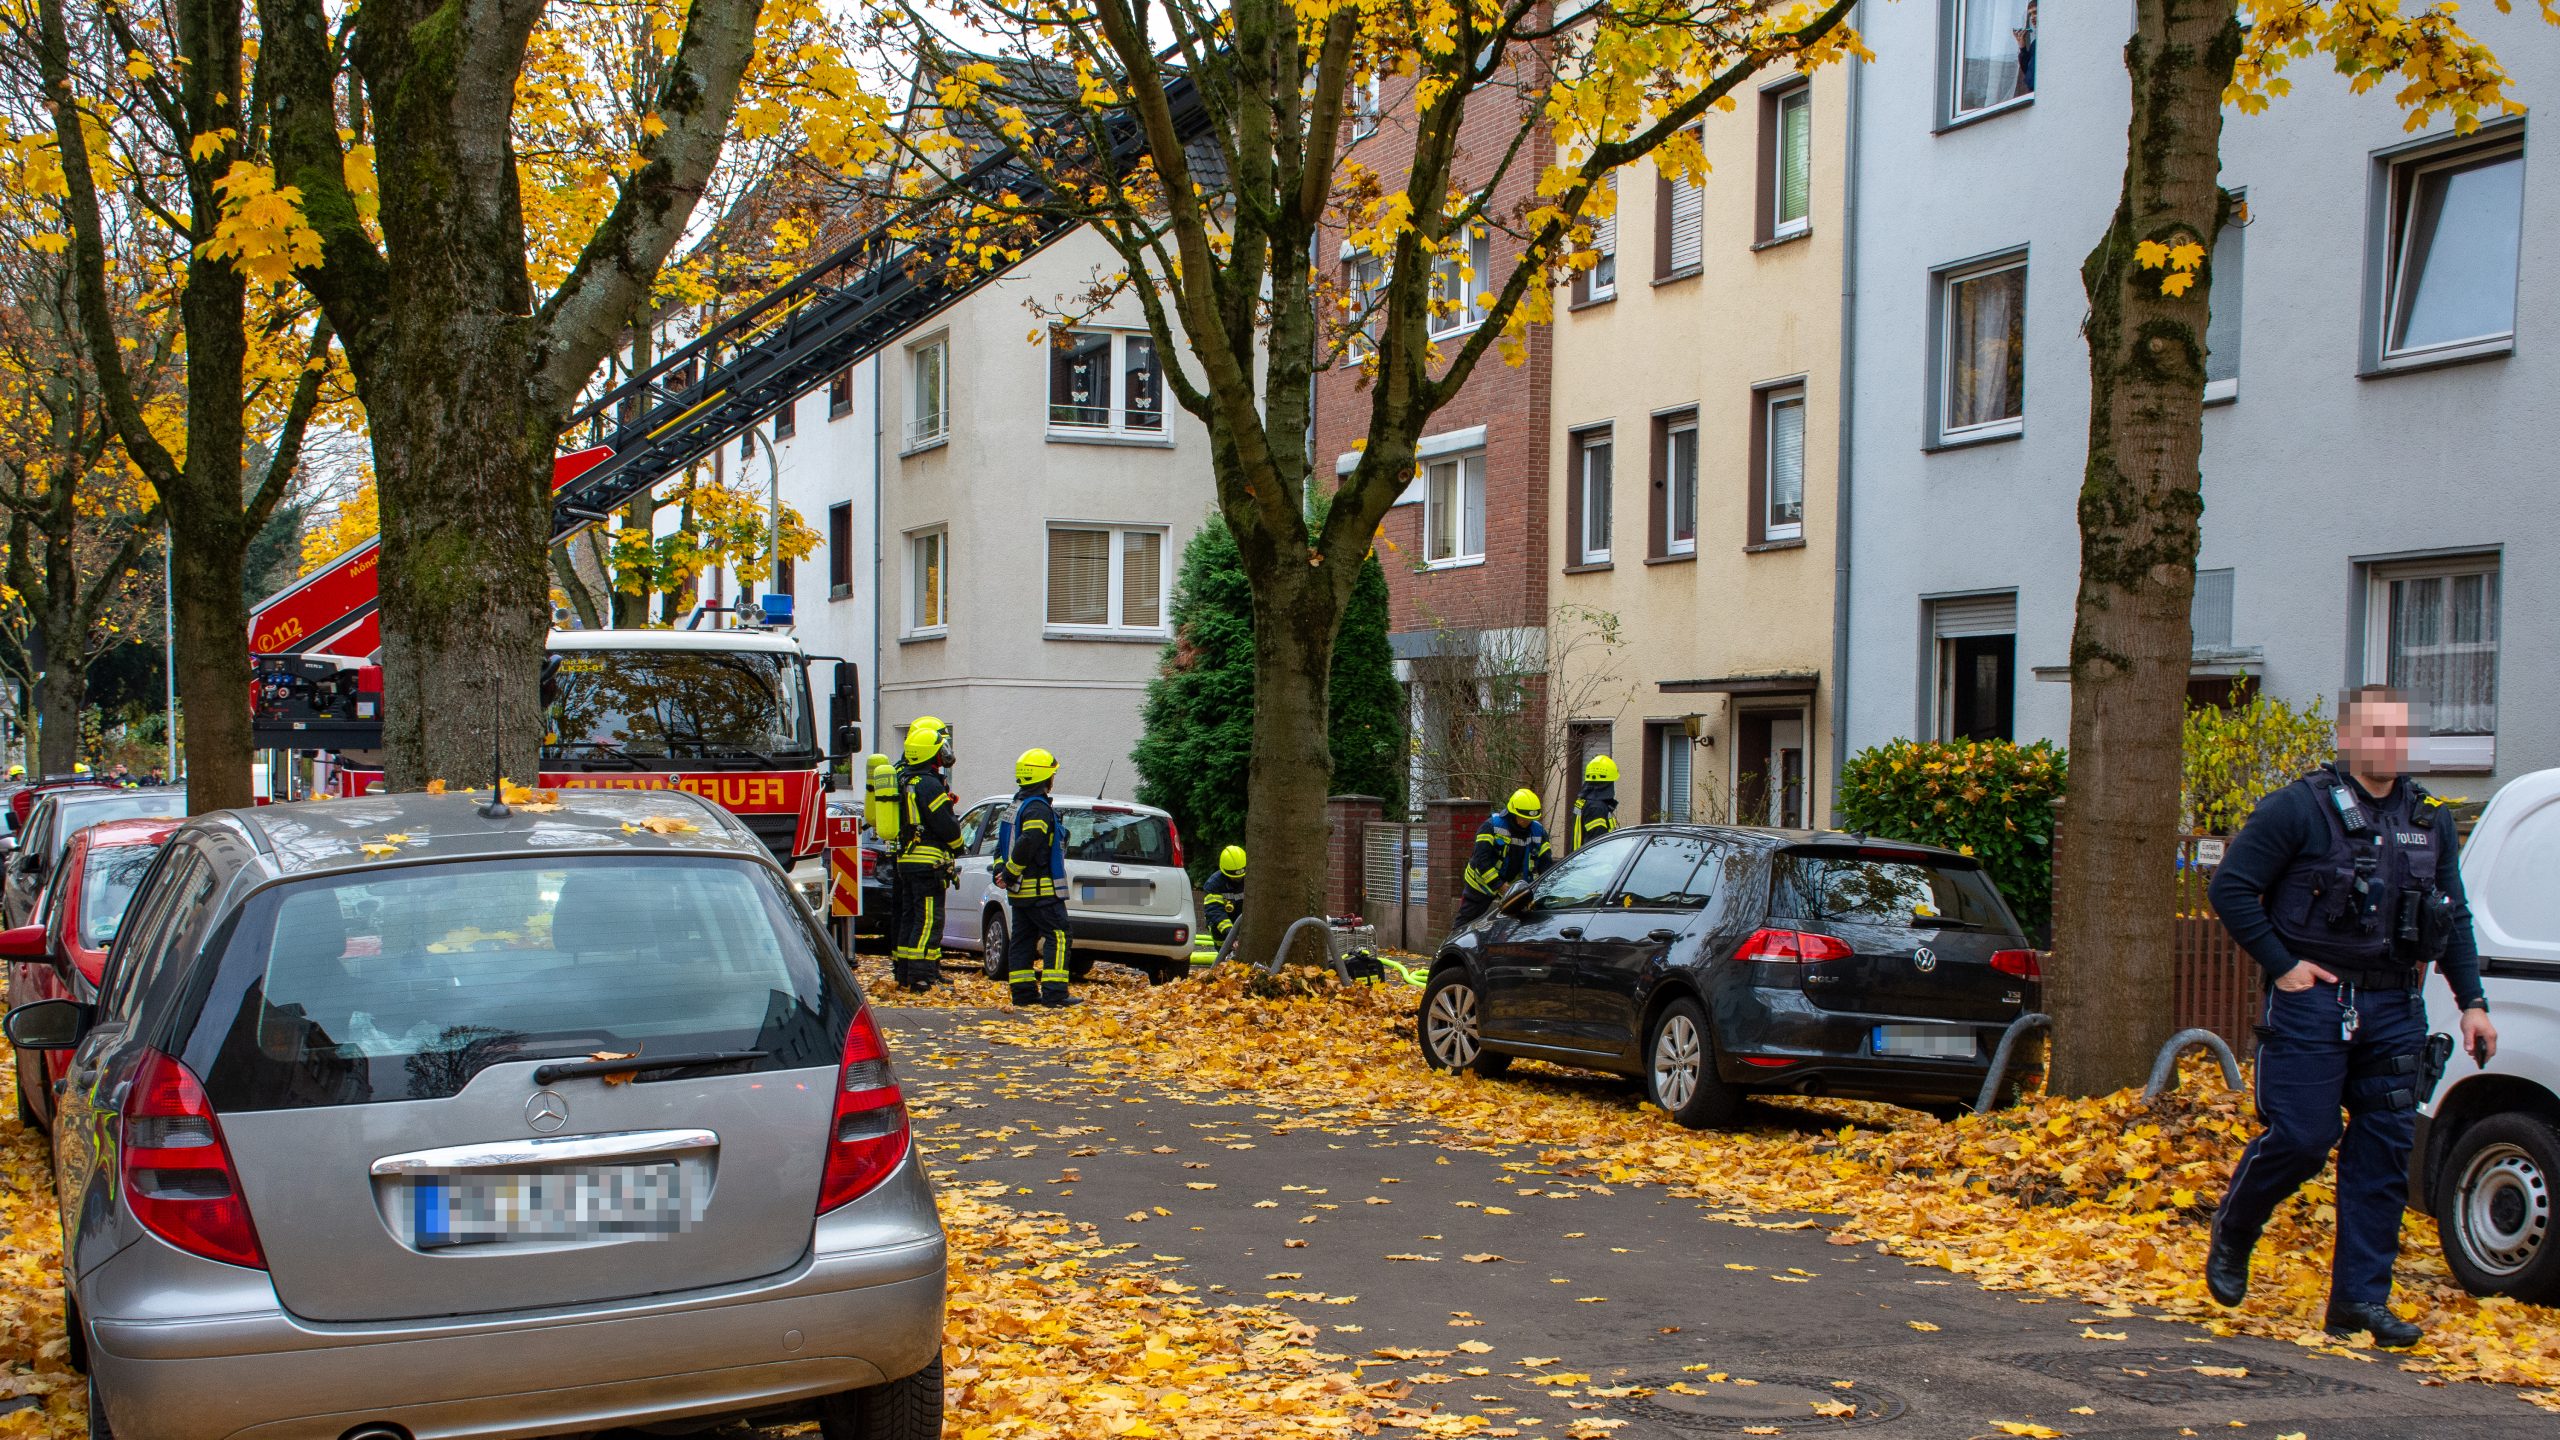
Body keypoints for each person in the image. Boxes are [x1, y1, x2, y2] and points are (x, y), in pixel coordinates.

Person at [2204, 685, 2496, 1348]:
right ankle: (2236, 1227)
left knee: (2384, 1152)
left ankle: (2359, 1302)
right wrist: (2283, 965)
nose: (2392, 745)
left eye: (2402, 732)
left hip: (2394, 1005)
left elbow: (2452, 918)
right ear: (2348, 738)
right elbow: (2231, 888)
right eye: (2378, 731)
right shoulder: (2299, 808)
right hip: (2314, 1001)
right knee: (2304, 1139)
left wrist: (2473, 1004)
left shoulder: (2430, 819)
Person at [995, 748, 1078, 1008]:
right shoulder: (1038, 809)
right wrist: (1010, 873)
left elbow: (1001, 846)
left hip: (1020, 893)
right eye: (1052, 774)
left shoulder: (1015, 806)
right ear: (1044, 777)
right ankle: (1055, 993)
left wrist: (1003, 871)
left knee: (1023, 939)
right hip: (1041, 892)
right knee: (1059, 935)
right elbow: (1028, 842)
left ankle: (1023, 993)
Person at [890, 718, 963, 992]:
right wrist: (959, 846)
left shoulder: (905, 779)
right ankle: (921, 977)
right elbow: (945, 824)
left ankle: (906, 972)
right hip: (928, 863)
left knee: (910, 918)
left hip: (907, 861)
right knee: (928, 919)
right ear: (930, 753)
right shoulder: (929, 784)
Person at [1454, 789, 1553, 930]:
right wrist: (1500, 885)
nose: (1526, 822)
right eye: (1523, 818)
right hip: (1480, 884)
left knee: (1518, 927)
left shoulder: (1539, 832)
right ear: (1512, 813)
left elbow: (1546, 865)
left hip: (1513, 886)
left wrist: (1540, 891)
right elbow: (1481, 860)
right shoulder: (1491, 826)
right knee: (1465, 925)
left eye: (1531, 819)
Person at [1194, 845, 1246, 972]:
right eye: (1234, 877)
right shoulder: (1214, 884)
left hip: (1242, 923)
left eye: (1240, 876)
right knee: (1224, 959)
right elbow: (1215, 912)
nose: (1238, 879)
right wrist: (1231, 935)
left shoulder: (1250, 879)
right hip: (1222, 929)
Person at [1572, 756, 1620, 851]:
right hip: (1592, 859)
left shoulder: (1584, 800)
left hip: (1580, 857)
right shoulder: (1596, 808)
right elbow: (1596, 845)